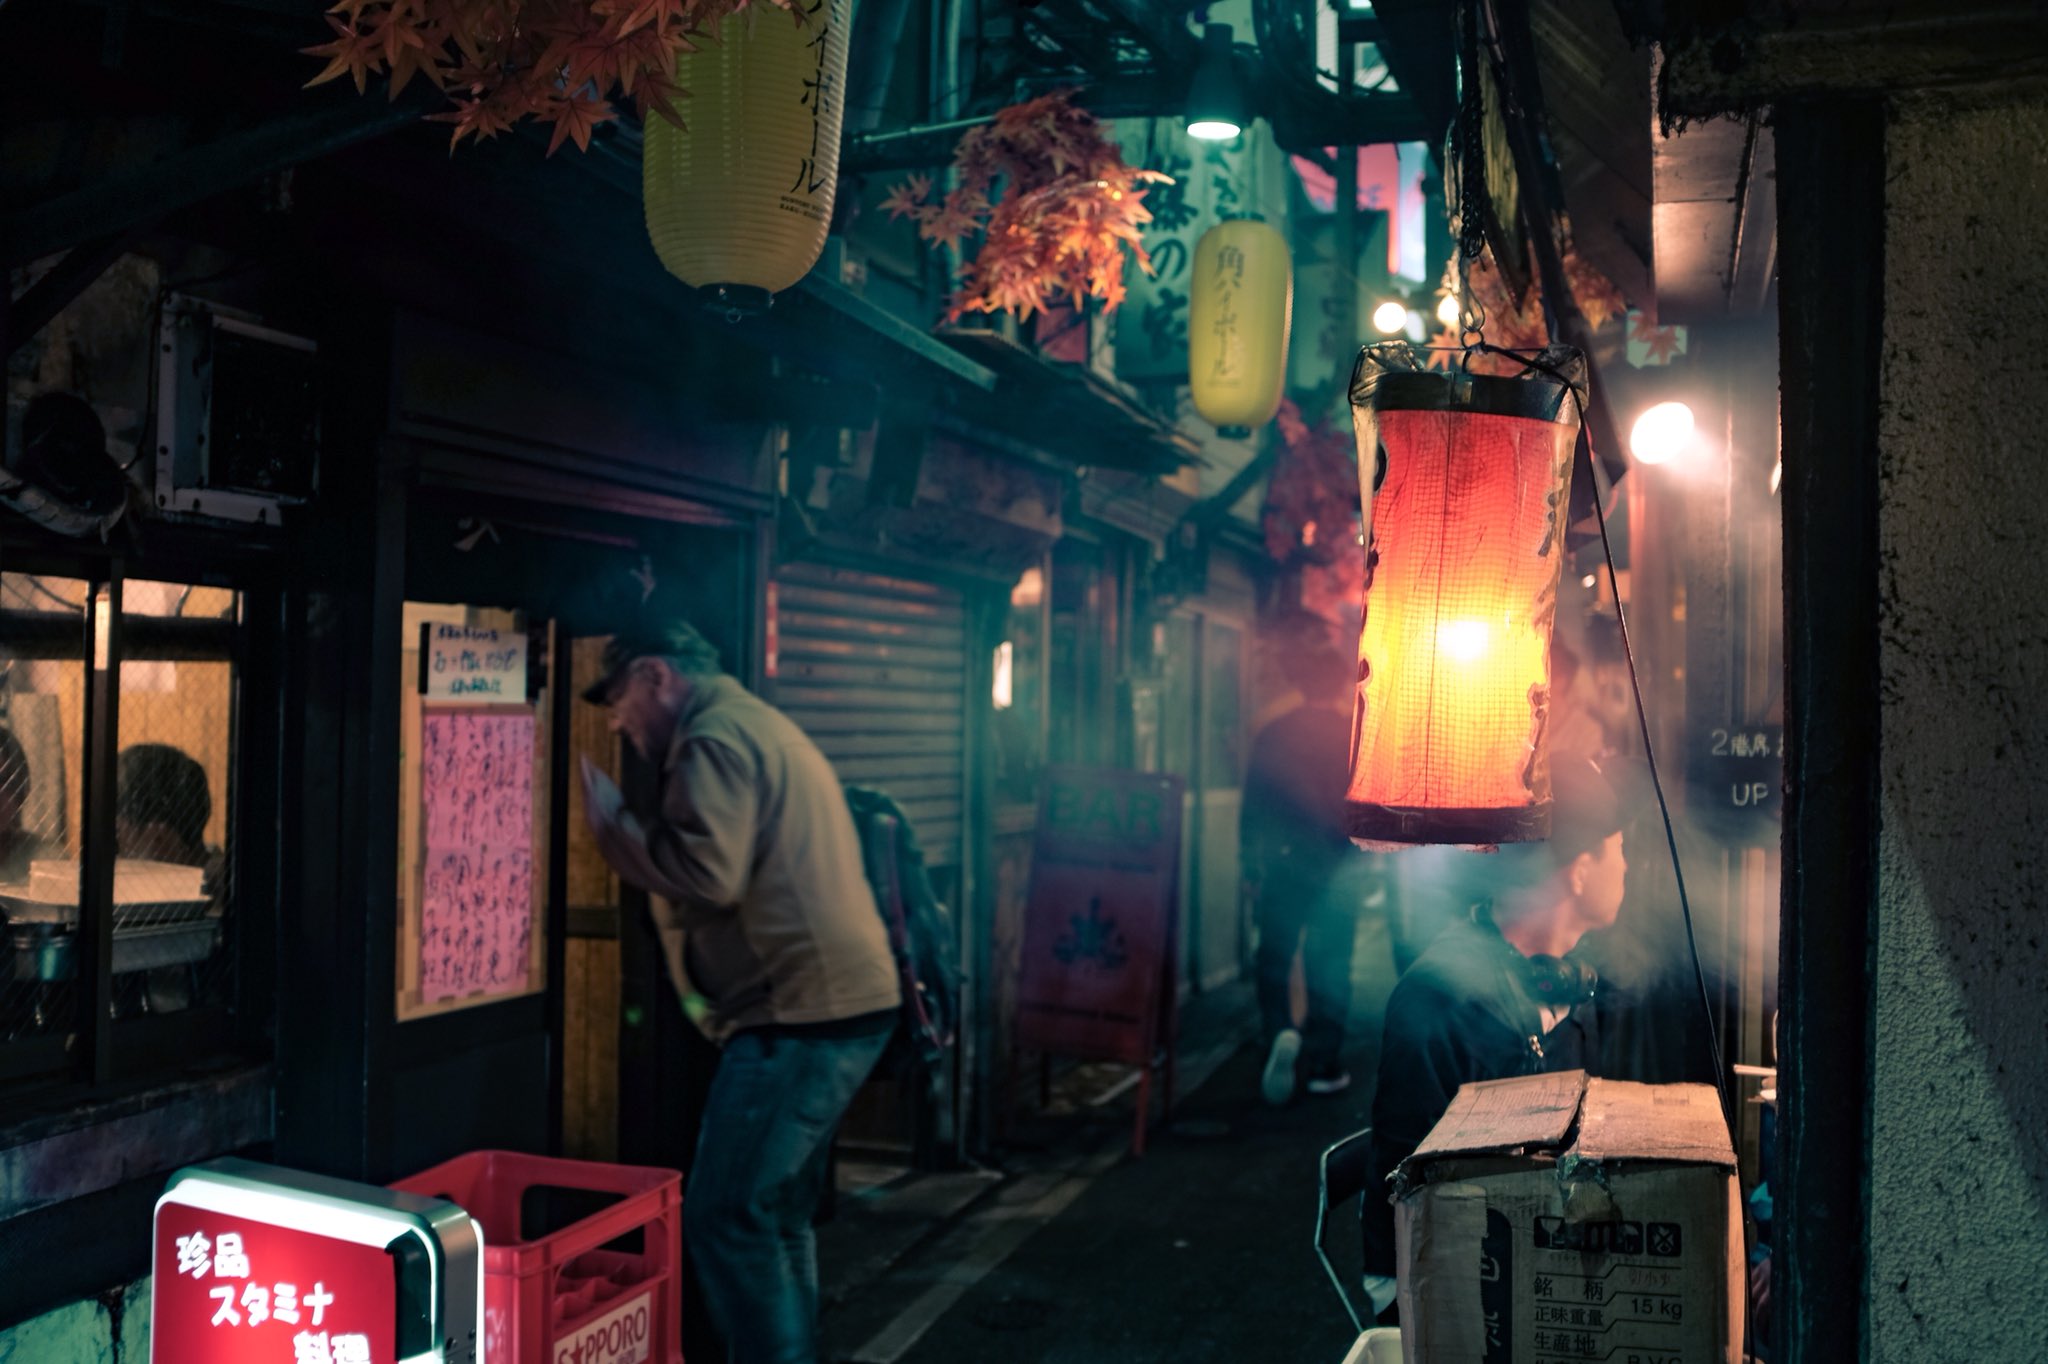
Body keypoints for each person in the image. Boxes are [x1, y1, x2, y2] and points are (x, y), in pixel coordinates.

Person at [579, 621, 899, 1364]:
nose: (617, 721)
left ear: (658, 675)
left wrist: (613, 826)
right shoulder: (758, 723)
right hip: (839, 1006)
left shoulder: (711, 738)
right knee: (775, 1217)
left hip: (798, 1012)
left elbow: (708, 874)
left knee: (727, 1217)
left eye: (620, 699)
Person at [1359, 757, 1629, 1319]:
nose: (1628, 869)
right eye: (1619, 850)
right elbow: (1406, 1199)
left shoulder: (1572, 990)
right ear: (1579, 871)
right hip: (1441, 1288)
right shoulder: (1440, 1001)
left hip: (1538, 1260)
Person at [1241, 632, 1380, 1105]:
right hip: (1339, 865)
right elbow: (1367, 805)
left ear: (1298, 681)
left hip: (1284, 860)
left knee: (1275, 956)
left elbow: (1253, 806)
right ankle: (1323, 1062)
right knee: (1332, 962)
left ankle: (1278, 1031)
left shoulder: (1274, 734)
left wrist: (1250, 866)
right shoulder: (1353, 733)